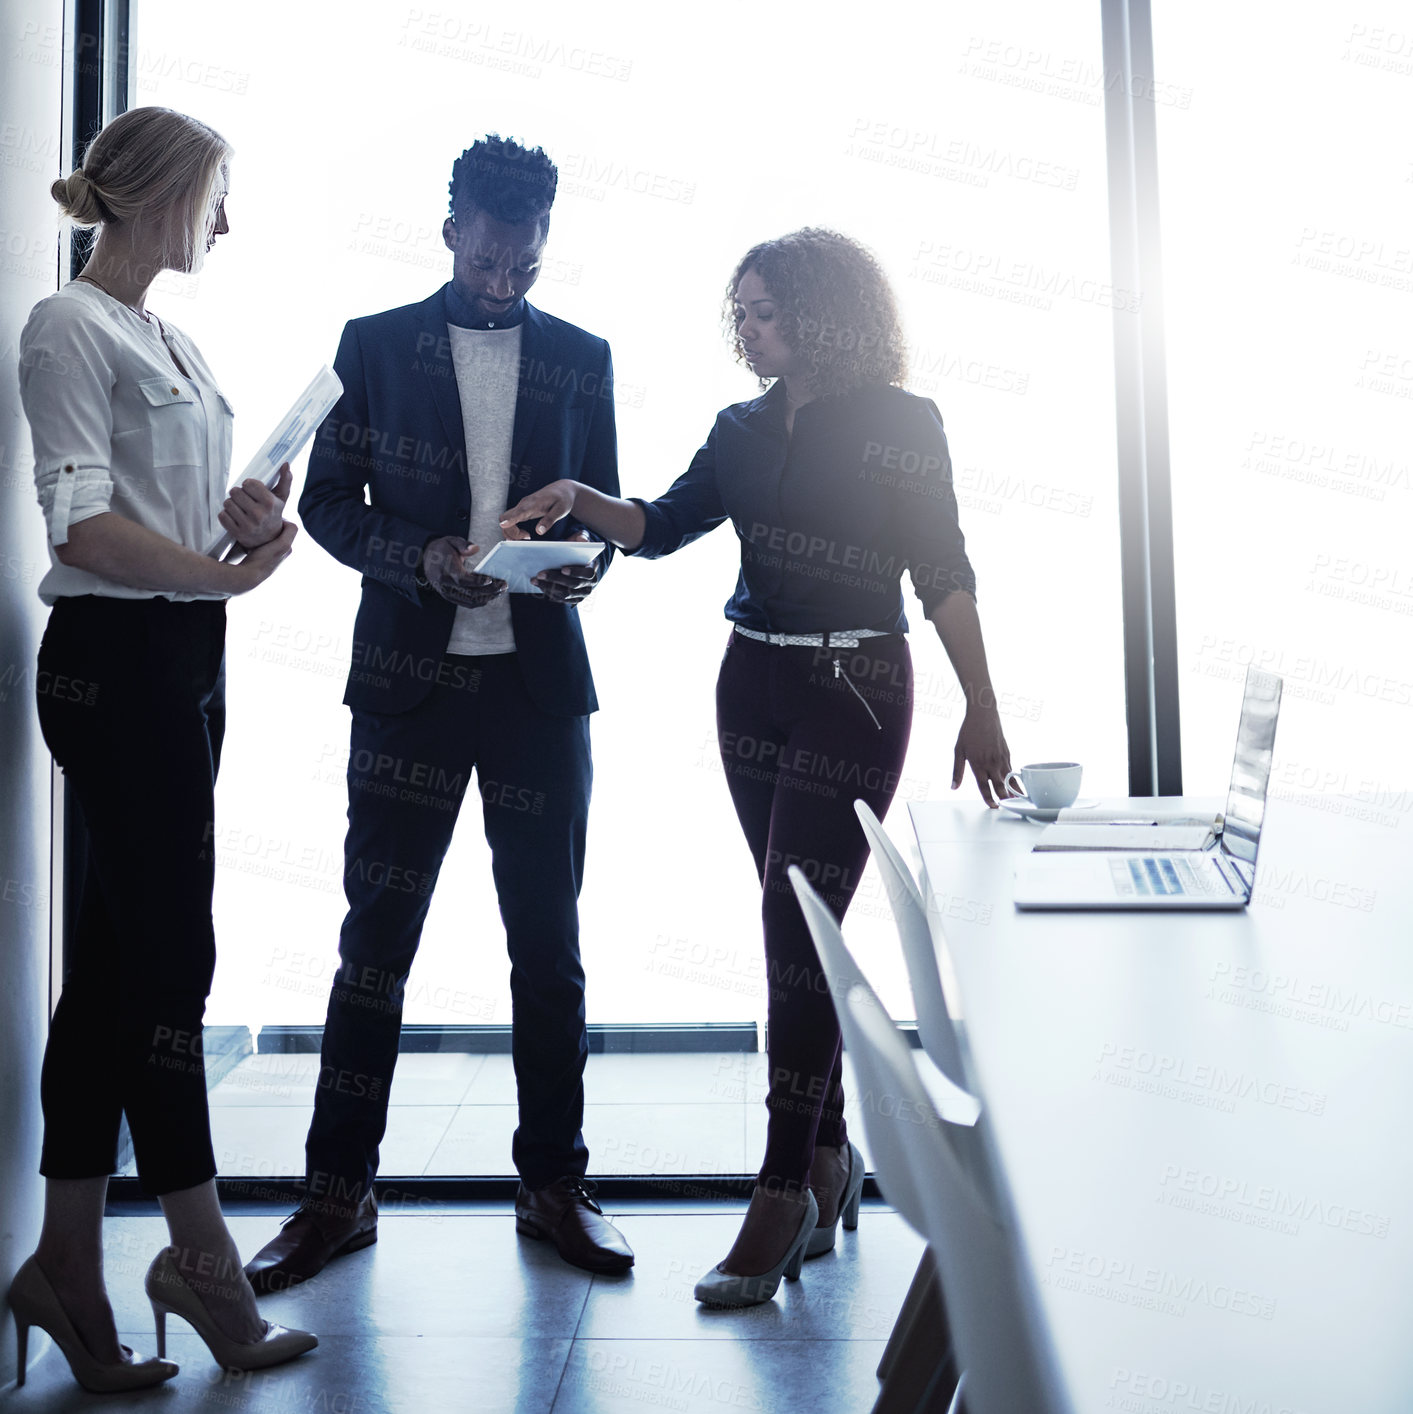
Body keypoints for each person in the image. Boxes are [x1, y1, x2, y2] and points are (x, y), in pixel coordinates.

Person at [500, 227, 1013, 1307]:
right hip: (753, 687)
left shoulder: (902, 423)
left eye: (764, 311)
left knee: (793, 929)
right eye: (739, 312)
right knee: (800, 929)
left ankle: (781, 1190)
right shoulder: (738, 428)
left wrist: (985, 704)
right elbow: (660, 525)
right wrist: (574, 497)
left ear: (824, 315)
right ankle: (828, 1158)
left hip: (859, 687)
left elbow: (943, 568)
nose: (746, 329)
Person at [243, 134, 633, 1292]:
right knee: (376, 946)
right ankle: (336, 1195)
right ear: (452, 222)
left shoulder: (584, 355)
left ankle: (554, 1182)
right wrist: (422, 556)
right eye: (491, 243)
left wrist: (578, 569)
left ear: (545, 236)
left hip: (538, 691)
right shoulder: (374, 344)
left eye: (530, 250)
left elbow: (602, 524)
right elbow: (326, 504)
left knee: (547, 951)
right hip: (410, 691)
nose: (509, 268)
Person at [8, 106, 317, 1391]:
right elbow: (79, 529)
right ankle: (202, 1261)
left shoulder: (170, 335)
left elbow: (174, 517)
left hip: (184, 662)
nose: (227, 224)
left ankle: (65, 1263)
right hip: (115, 667)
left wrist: (250, 521)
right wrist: (218, 575)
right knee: (171, 965)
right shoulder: (66, 325)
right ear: (154, 195)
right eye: (216, 197)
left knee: (114, 975)